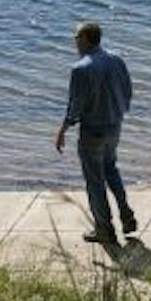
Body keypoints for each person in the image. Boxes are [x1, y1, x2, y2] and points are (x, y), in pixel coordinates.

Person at [53, 19, 138, 246]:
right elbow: (128, 90)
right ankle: (127, 215)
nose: (74, 42)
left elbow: (75, 105)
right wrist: (120, 112)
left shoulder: (81, 69)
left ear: (86, 39)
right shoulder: (117, 59)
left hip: (93, 130)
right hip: (114, 126)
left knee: (94, 180)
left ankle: (104, 228)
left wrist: (63, 130)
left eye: (76, 37)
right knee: (111, 169)